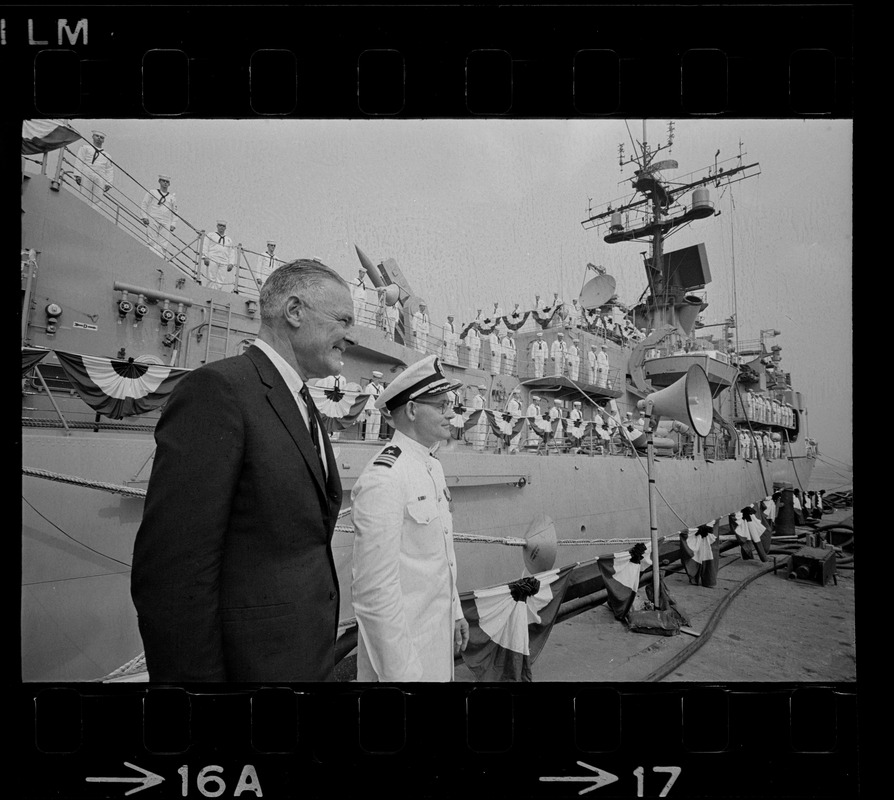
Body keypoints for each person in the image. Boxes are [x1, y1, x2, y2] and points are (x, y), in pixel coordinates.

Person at [131, 259, 355, 682]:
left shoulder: (301, 402)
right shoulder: (219, 391)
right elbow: (172, 575)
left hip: (301, 660)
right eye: (343, 319)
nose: (350, 335)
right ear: (294, 311)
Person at [350, 355, 469, 681]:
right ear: (413, 410)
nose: (451, 413)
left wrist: (455, 611)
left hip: (435, 646)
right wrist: (404, 675)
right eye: (442, 405)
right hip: (402, 665)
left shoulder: (433, 467)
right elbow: (373, 596)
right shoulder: (385, 477)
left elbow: (439, 555)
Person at [139, 174, 178, 259]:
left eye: (167, 182)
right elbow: (144, 204)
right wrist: (144, 216)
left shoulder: (172, 198)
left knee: (163, 243)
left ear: (169, 184)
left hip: (166, 221)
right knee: (151, 240)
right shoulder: (153, 192)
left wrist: (173, 223)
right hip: (154, 218)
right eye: (163, 181)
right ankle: (150, 257)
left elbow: (175, 212)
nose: (165, 183)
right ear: (159, 182)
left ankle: (160, 259)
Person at [74, 130, 114, 210]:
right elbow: (79, 160)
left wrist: (108, 183)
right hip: (87, 172)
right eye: (97, 136)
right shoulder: (85, 148)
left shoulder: (107, 155)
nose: (99, 138)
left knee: (98, 196)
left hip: (100, 175)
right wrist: (77, 175)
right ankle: (81, 210)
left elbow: (109, 169)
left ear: (103, 140)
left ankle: (95, 212)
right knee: (84, 193)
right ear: (93, 137)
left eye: (101, 137)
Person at [201, 220, 237, 292]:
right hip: (213, 258)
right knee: (211, 277)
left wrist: (231, 263)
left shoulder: (228, 240)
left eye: (223, 226)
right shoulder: (211, 235)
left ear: (225, 228)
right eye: (220, 225)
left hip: (224, 261)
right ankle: (209, 292)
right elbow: (205, 245)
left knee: (220, 279)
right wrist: (205, 257)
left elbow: (231, 252)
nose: (221, 228)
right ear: (217, 226)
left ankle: (217, 293)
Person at [364, 370, 385, 441]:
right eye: (377, 378)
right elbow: (366, 398)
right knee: (370, 425)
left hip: (378, 409)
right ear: (374, 378)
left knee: (377, 425)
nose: (378, 380)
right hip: (371, 408)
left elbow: (382, 398)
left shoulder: (381, 388)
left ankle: (374, 440)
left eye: (379, 379)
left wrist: (382, 409)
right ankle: (368, 439)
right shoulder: (369, 387)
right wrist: (367, 408)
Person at [471, 383, 488, 450]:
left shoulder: (484, 399)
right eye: (484, 390)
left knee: (483, 432)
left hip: (484, 415)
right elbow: (474, 408)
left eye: (485, 390)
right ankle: (476, 447)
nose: (485, 391)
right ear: (480, 390)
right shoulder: (476, 398)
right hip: (478, 415)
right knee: (477, 431)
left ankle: (481, 446)